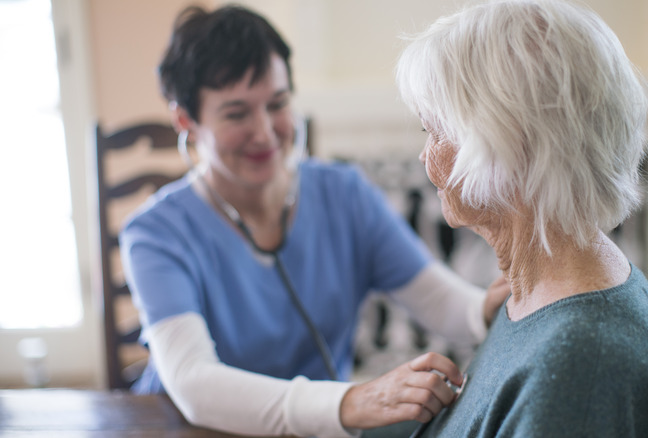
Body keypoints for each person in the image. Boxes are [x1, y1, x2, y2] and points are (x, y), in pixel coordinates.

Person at [119, 5, 510, 438]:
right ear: (186, 121)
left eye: (277, 104)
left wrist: (484, 309)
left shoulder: (344, 194)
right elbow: (194, 383)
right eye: (236, 114)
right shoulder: (154, 233)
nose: (265, 132)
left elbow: (436, 300)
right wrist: (352, 401)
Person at [395, 0, 648, 436]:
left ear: (507, 146)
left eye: (434, 130)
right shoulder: (538, 291)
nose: (425, 155)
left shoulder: (581, 362)